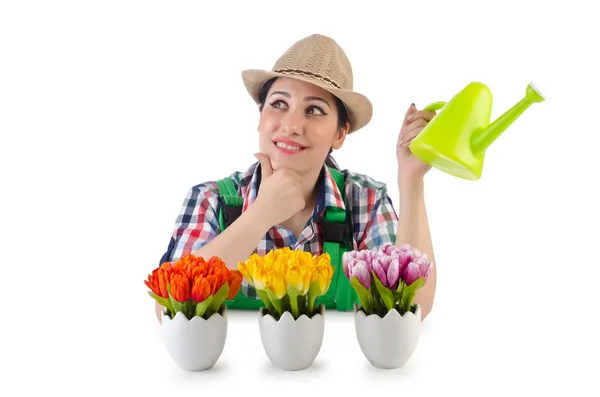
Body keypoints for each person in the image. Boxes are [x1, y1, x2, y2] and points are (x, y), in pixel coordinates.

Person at [156, 33, 438, 322]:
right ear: (260, 117)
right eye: (279, 104)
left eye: (314, 110)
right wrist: (260, 215)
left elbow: (413, 306)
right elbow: (168, 305)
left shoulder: (365, 201)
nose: (291, 125)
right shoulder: (210, 200)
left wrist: (411, 178)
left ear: (340, 133)